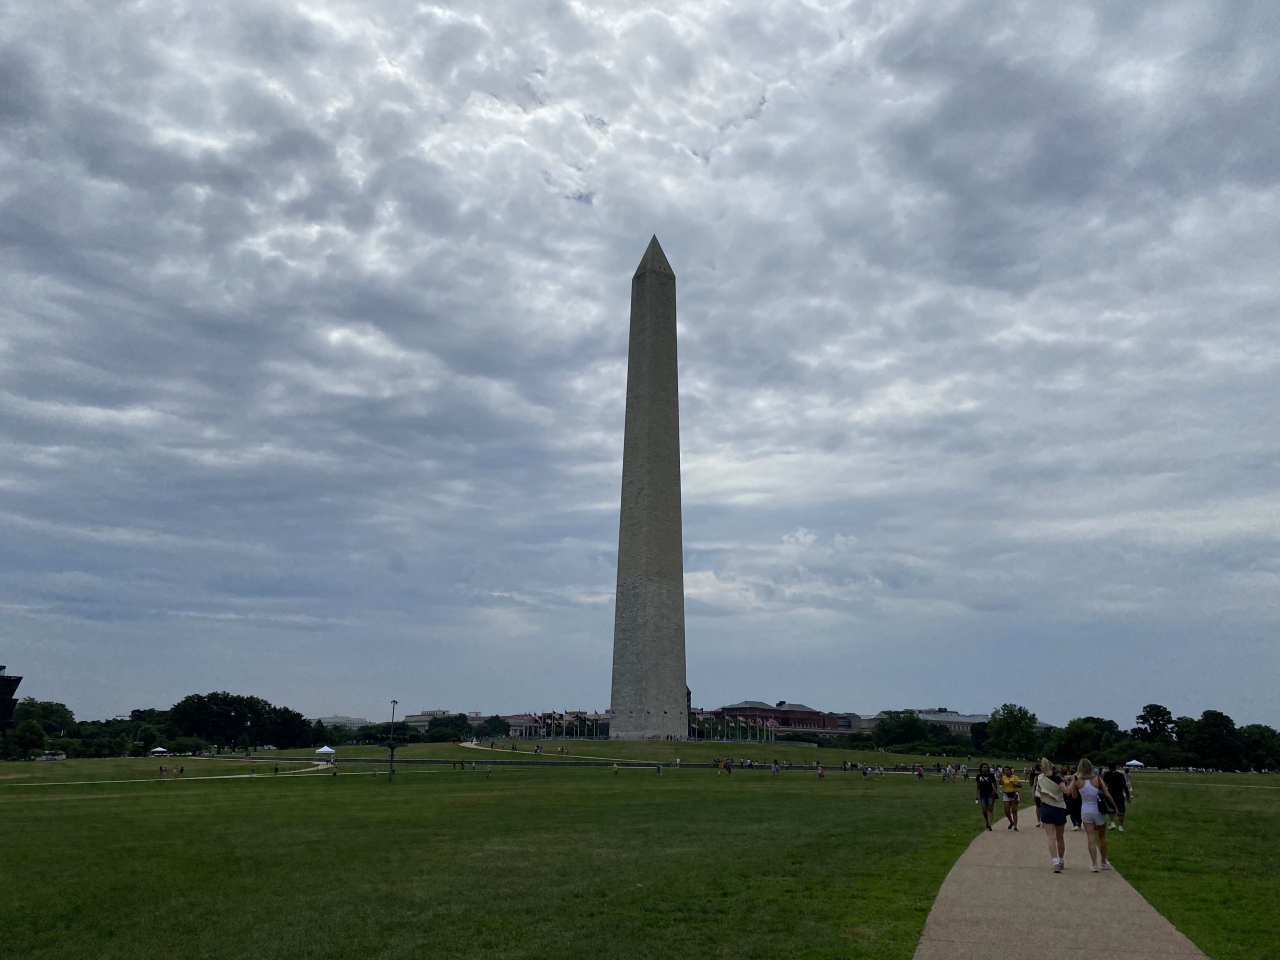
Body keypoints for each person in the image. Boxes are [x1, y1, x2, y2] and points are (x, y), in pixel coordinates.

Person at [1065, 758, 1118, 872]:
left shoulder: (1077, 781)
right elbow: (1107, 794)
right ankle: (1103, 862)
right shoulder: (1098, 779)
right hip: (1098, 810)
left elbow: (1074, 796)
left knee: (1090, 838)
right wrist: (1114, 807)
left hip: (1086, 810)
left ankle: (1094, 864)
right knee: (1102, 837)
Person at [1036, 758, 1069, 872]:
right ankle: (1061, 860)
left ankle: (1055, 862)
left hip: (1046, 807)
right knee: (1060, 837)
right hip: (1059, 808)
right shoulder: (1057, 778)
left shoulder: (1040, 778)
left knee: (1050, 837)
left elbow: (1038, 792)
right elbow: (1067, 791)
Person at [1103, 763, 1131, 831]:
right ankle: (1120, 826)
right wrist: (1128, 796)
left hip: (1110, 794)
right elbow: (1124, 786)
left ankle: (1112, 823)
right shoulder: (1120, 774)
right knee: (1121, 811)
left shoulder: (1106, 774)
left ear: (1109, 767)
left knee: (1111, 809)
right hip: (1119, 794)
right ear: (1115, 767)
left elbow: (1104, 785)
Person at [974, 762, 997, 830]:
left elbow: (995, 784)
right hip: (982, 794)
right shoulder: (978, 776)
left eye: (986, 767)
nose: (985, 768)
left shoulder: (991, 775)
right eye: (983, 767)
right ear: (981, 768)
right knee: (984, 810)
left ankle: (989, 824)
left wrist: (994, 791)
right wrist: (976, 794)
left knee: (990, 808)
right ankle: (987, 821)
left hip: (990, 794)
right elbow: (977, 786)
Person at [999, 765, 1022, 830]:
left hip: (1014, 794)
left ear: (1010, 771)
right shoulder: (1003, 777)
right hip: (1006, 794)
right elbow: (1000, 784)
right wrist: (1000, 778)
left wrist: (1015, 784)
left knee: (1014, 810)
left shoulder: (1015, 777)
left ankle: (1015, 826)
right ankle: (1011, 822)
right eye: (1005, 770)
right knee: (1006, 811)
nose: (1006, 771)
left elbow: (1020, 785)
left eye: (1007, 770)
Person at [1063, 764, 1083, 830]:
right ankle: (1078, 824)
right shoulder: (1080, 778)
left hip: (1071, 795)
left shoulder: (1068, 778)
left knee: (1072, 810)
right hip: (1077, 795)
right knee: (1077, 810)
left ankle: (1075, 824)